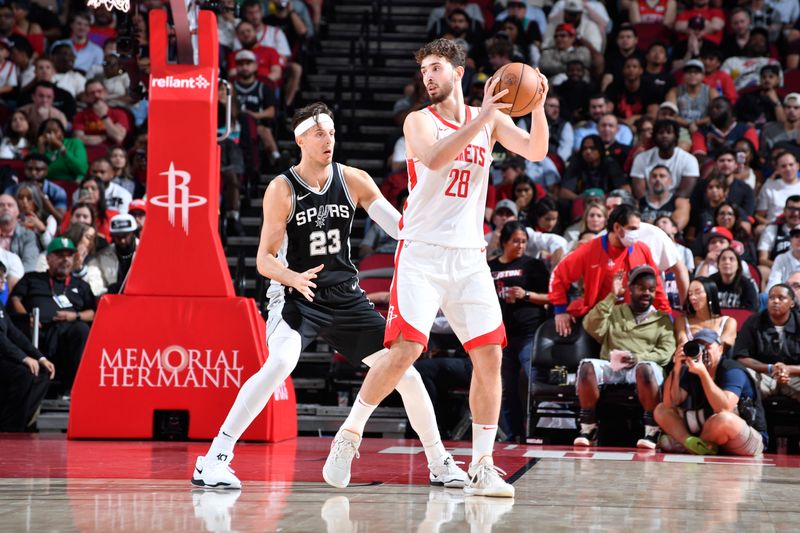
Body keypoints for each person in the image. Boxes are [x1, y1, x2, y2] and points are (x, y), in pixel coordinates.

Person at [193, 101, 469, 491]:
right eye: (320, 132)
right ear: (300, 138)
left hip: (344, 295)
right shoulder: (281, 189)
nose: (328, 139)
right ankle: (215, 459)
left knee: (406, 373)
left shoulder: (354, 179)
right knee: (280, 365)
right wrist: (292, 277)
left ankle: (439, 463)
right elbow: (263, 260)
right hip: (296, 294)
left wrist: (434, 227)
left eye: (332, 132)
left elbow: (397, 227)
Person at [323, 38, 550, 498]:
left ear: (459, 72)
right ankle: (349, 435)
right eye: (424, 69)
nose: (428, 76)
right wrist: (486, 117)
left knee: (490, 355)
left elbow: (536, 150)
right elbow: (435, 157)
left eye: (437, 68)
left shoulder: (489, 120)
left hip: (469, 255)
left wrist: (539, 106)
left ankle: (483, 463)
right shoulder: (418, 121)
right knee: (405, 350)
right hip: (422, 251)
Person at [576, 266, 675, 449]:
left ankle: (652, 430)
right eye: (641, 288)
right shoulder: (616, 311)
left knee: (645, 368)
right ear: (630, 289)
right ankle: (588, 428)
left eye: (651, 290)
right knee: (587, 367)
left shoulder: (662, 319)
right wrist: (611, 296)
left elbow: (666, 352)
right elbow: (590, 325)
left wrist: (640, 357)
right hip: (613, 366)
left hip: (642, 368)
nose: (646, 293)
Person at [549, 204, 671, 336]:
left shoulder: (642, 249)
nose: (636, 234)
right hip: (599, 319)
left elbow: (656, 285)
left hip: (633, 319)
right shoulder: (589, 250)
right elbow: (558, 275)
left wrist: (666, 314)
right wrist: (560, 310)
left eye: (637, 229)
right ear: (617, 227)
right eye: (632, 229)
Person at [655, 328, 768, 456]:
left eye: (707, 346)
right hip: (710, 436)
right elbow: (670, 403)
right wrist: (676, 368)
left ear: (720, 349)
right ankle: (691, 443)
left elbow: (724, 407)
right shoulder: (690, 370)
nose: (703, 351)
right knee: (661, 409)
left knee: (724, 419)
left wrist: (703, 374)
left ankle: (690, 447)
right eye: (699, 346)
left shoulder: (732, 370)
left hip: (745, 436)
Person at [10, 237, 95, 398]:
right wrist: (26, 317)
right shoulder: (32, 278)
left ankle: (72, 389)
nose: (65, 260)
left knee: (81, 329)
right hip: (38, 332)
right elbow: (15, 299)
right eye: (59, 255)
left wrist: (75, 316)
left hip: (67, 336)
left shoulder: (81, 285)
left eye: (69, 256)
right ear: (48, 259)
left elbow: (94, 312)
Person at [488, 221, 549, 441]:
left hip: (529, 333)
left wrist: (525, 295)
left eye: (524, 241)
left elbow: (551, 297)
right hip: (501, 335)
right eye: (515, 241)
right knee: (505, 388)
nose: (520, 245)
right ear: (504, 242)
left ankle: (540, 431)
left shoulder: (533, 265)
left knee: (535, 380)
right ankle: (514, 434)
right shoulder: (490, 267)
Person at [0, 260, 54, 431]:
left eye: (3, 277)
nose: (3, 281)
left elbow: (15, 334)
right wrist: (23, 358)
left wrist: (40, 357)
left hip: (5, 354)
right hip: (3, 355)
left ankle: (20, 421)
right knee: (24, 373)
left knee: (43, 372)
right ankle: (9, 426)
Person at [734, 284, 800, 402]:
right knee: (741, 375)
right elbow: (741, 357)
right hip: (765, 375)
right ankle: (748, 418)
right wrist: (770, 368)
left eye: (781, 298)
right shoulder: (753, 321)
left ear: (792, 303)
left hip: (794, 376)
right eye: (771, 297)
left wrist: (788, 369)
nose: (775, 301)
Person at [630, 119, 699, 200]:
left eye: (669, 132)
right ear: (654, 137)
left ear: (676, 136)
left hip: (677, 204)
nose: (664, 135)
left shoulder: (689, 160)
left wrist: (665, 206)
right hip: (647, 204)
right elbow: (639, 192)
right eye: (660, 132)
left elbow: (685, 192)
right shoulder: (641, 158)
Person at [675, 277, 737, 350]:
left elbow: (722, 347)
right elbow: (683, 344)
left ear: (710, 293)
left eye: (698, 293)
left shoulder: (728, 322)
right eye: (690, 294)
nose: (692, 297)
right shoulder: (682, 321)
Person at [87, 213, 138, 295]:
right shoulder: (101, 257)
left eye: (125, 236)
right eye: (118, 237)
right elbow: (95, 289)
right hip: (112, 303)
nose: (122, 241)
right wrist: (109, 290)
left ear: (133, 233)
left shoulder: (146, 252)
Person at [31, 118, 87, 183]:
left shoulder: (74, 143)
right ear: (42, 134)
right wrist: (41, 152)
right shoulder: (37, 148)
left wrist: (61, 148)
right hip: (46, 184)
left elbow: (81, 170)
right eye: (48, 132)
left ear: (62, 134)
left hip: (70, 183)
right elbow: (35, 174)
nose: (52, 135)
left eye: (55, 131)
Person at [756, 152, 800, 226]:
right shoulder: (769, 186)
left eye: (791, 165)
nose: (788, 169)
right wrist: (772, 225)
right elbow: (759, 216)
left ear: (798, 166)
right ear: (777, 169)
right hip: (775, 228)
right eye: (783, 166)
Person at [758, 195, 800, 269]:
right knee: (762, 270)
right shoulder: (772, 229)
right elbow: (762, 259)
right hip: (777, 270)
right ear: (784, 211)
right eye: (791, 209)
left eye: (799, 209)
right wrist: (784, 267)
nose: (796, 213)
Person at [0, 193, 38, 272]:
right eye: (1, 205)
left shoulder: (28, 235)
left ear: (17, 212)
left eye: (10, 205)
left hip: (18, 281)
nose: (6, 208)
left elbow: (29, 265)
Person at [766, 225, 800, 291]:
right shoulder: (781, 259)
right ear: (790, 240)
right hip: (787, 297)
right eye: (796, 236)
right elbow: (773, 285)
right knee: (764, 297)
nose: (799, 240)